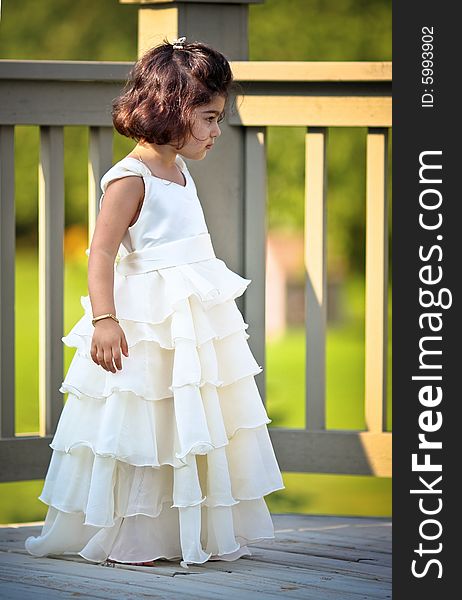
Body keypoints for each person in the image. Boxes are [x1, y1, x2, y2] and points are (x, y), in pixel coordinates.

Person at [25, 37, 285, 569]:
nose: (217, 132)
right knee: (142, 421)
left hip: (188, 320)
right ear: (172, 109)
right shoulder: (130, 177)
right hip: (148, 319)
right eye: (209, 118)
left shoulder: (179, 170)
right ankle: (134, 532)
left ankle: (175, 528)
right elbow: (100, 252)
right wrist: (104, 319)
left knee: (181, 418)